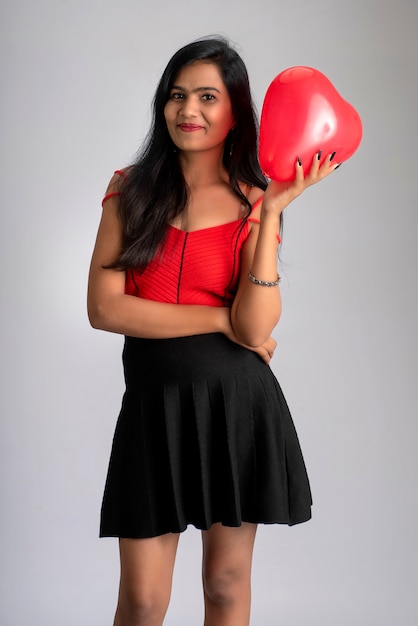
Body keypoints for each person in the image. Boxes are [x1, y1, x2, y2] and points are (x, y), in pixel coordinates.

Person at [87, 35, 339, 626]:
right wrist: (218, 320)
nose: (188, 111)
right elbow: (106, 309)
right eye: (177, 96)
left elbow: (255, 326)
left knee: (225, 587)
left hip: (236, 407)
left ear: (235, 113)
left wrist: (272, 211)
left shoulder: (254, 198)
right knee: (143, 601)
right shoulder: (130, 191)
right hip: (153, 409)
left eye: (207, 97)